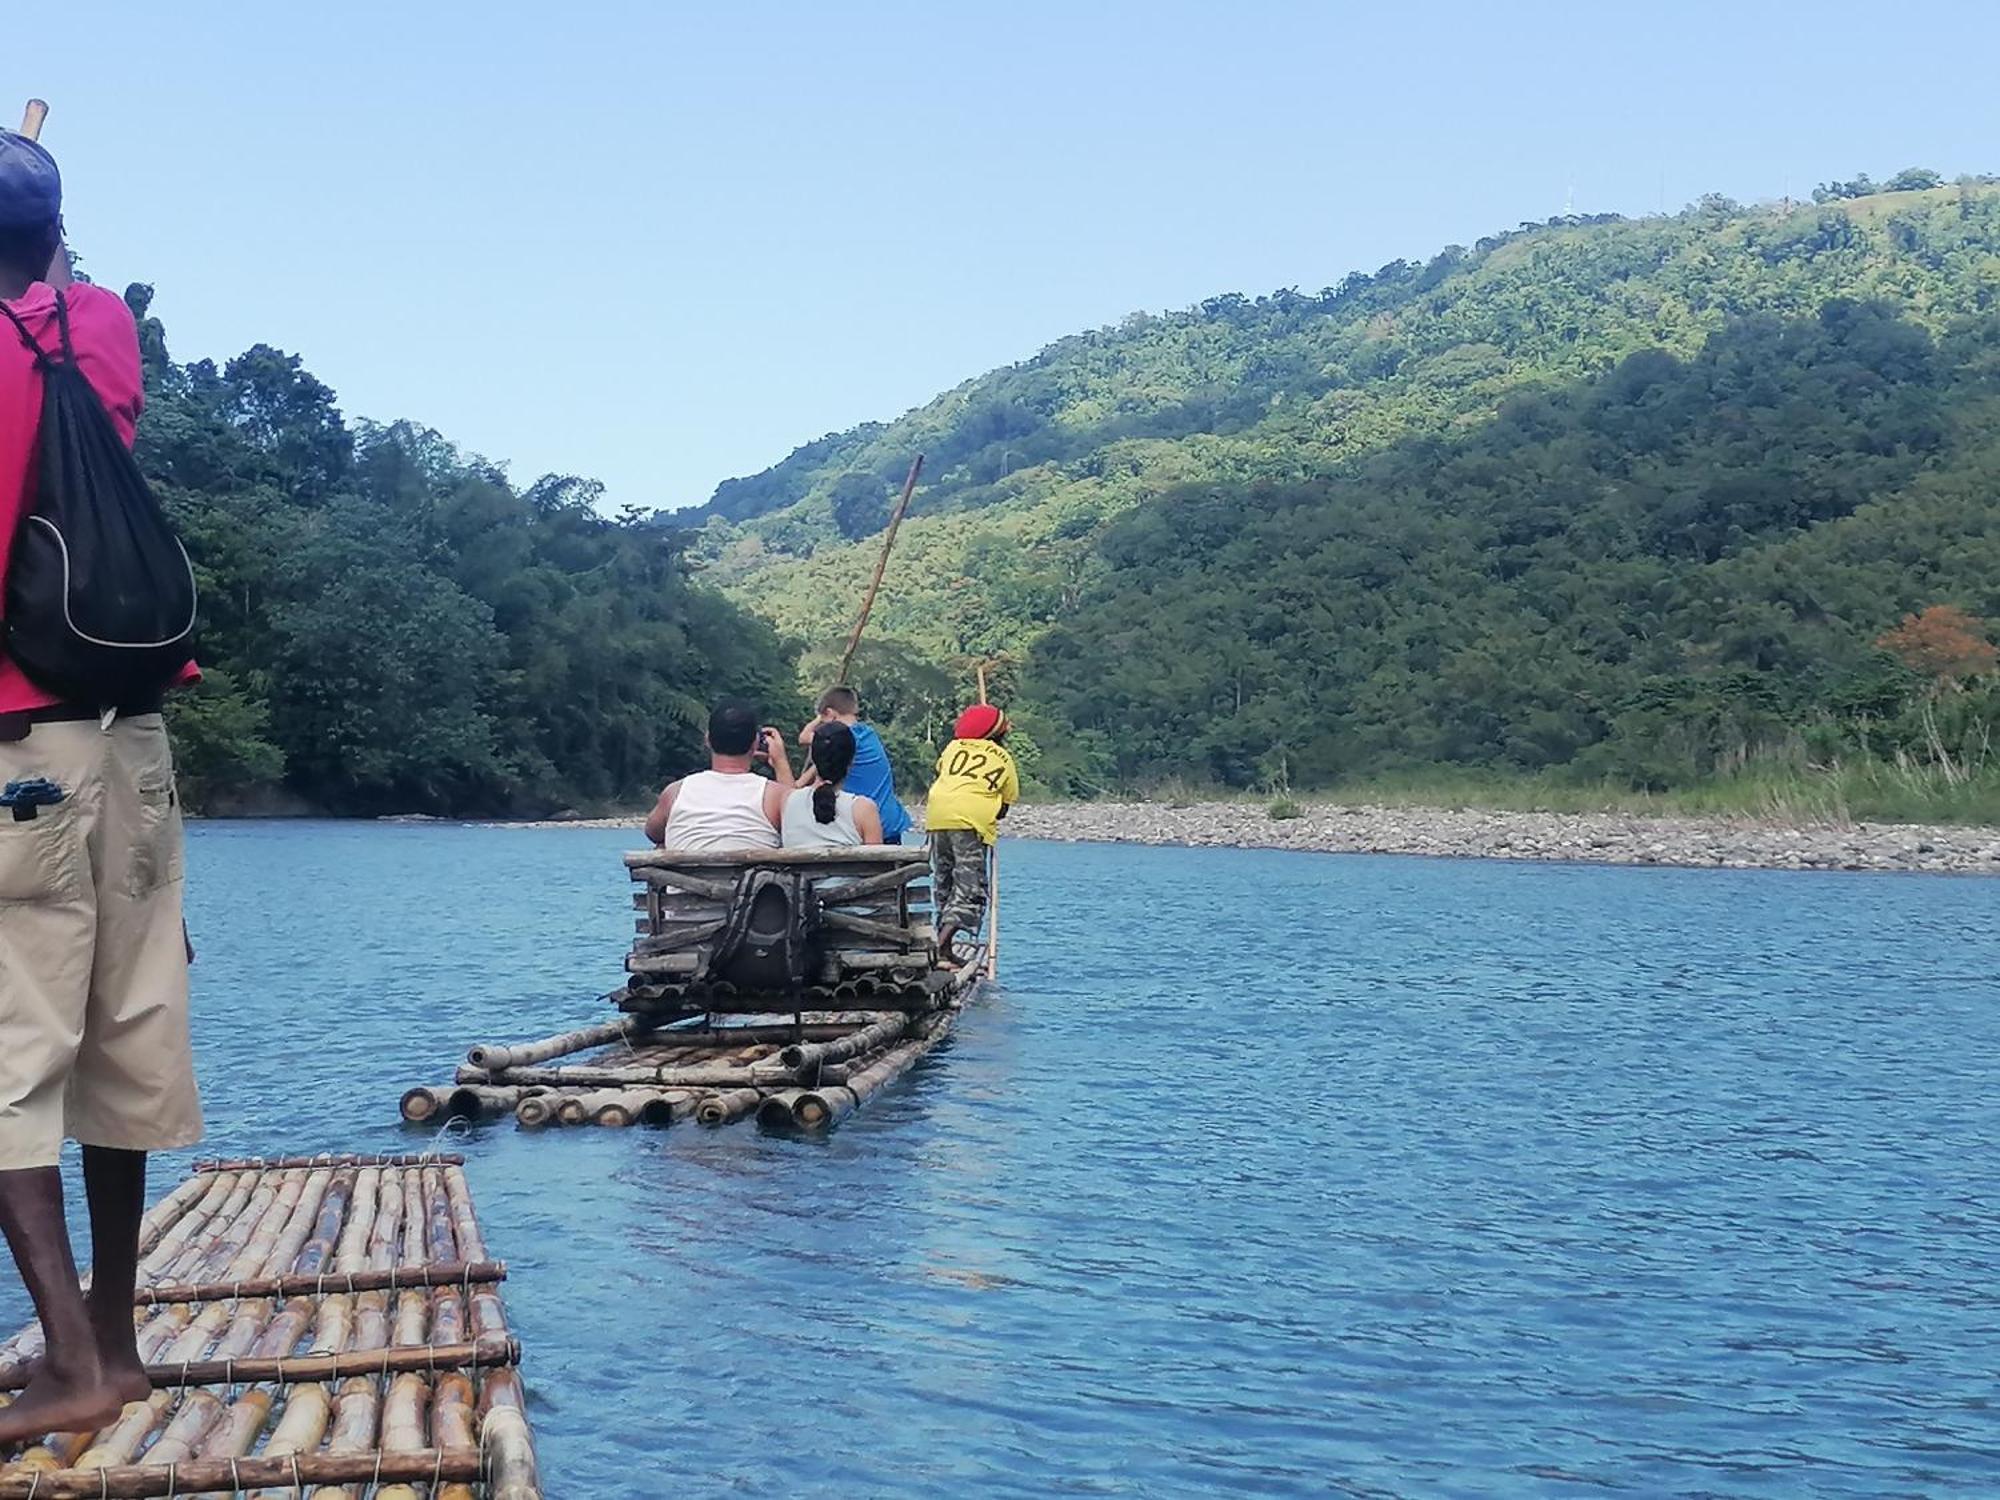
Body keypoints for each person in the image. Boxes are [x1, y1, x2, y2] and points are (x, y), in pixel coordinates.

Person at [0, 128, 202, 1443]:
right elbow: (54, 289)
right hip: (137, 743)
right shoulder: (101, 328)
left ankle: (75, 1363)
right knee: (125, 1038)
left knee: (8, 1069)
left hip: (24, 752)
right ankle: (116, 1337)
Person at [924, 703, 1019, 962]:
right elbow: (1004, 807)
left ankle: (941, 940)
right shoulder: (1004, 759)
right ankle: (939, 946)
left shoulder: (952, 748)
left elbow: (943, 773)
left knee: (945, 880)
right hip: (970, 823)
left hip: (937, 816)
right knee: (970, 887)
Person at [644, 699, 794, 850]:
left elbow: (652, 833)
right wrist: (780, 761)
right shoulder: (774, 796)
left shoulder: (675, 792)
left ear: (708, 739)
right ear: (755, 743)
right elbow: (799, 827)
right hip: (750, 873)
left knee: (662, 845)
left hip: (684, 873)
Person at [794, 686, 910, 844]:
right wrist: (801, 782)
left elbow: (803, 738)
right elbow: (824, 764)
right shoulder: (868, 734)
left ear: (830, 714)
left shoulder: (847, 737)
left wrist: (818, 719)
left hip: (871, 825)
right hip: (890, 822)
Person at [781, 721, 883, 849]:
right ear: (852, 761)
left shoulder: (787, 801)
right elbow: (877, 865)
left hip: (797, 870)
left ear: (813, 759)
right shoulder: (864, 810)